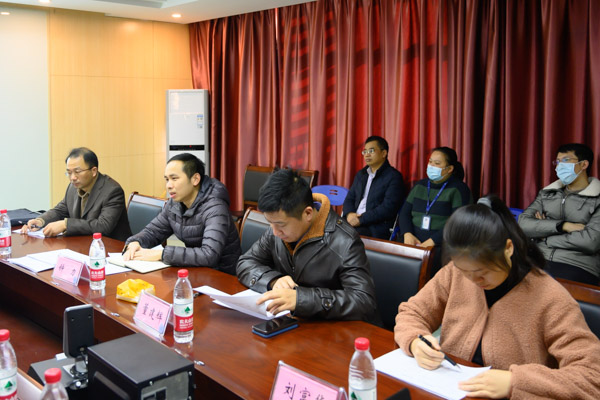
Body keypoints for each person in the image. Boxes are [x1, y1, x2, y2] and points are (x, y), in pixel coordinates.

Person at [394, 195, 600, 399]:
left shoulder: (549, 297)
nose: (474, 280)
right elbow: (412, 312)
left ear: (508, 248)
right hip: (449, 390)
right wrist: (415, 341)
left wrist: (515, 382)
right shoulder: (454, 273)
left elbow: (591, 376)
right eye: (465, 271)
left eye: (482, 271)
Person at [237, 168, 378, 322]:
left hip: (331, 328)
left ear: (308, 213)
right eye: (270, 223)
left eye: (280, 225)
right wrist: (273, 280)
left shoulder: (345, 242)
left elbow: (363, 301)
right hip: (291, 322)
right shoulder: (276, 229)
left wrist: (301, 299)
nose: (275, 232)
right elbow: (246, 262)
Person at [123, 153, 241, 275]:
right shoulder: (175, 204)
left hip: (223, 276)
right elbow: (153, 232)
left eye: (174, 179)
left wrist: (161, 254)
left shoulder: (215, 207)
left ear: (195, 179)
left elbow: (209, 255)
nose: (169, 186)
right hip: (196, 270)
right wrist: (136, 242)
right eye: (167, 179)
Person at [519, 143, 600, 285]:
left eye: (566, 160)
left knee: (543, 286)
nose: (559, 166)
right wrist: (562, 226)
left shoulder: (597, 198)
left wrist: (544, 236)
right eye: (557, 161)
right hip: (538, 257)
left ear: (583, 164)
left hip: (577, 264)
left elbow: (590, 241)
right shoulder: (547, 193)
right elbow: (523, 224)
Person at [20, 147, 131, 241]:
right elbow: (61, 209)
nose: (72, 177)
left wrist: (65, 224)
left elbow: (103, 226)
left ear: (93, 171)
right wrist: (40, 221)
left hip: (110, 248)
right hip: (82, 243)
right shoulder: (73, 186)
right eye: (69, 172)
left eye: (77, 172)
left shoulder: (112, 191)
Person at [397, 146, 472, 274]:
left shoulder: (459, 189)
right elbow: (404, 213)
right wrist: (407, 234)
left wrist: (432, 241)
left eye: (437, 163)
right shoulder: (420, 185)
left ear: (449, 169)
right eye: (430, 162)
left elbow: (458, 223)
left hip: (440, 243)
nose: (431, 166)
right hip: (413, 238)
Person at [342, 136, 405, 239]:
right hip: (353, 221)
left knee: (345, 236)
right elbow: (350, 198)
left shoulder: (394, 177)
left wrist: (361, 219)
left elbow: (388, 208)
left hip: (375, 227)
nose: (367, 154)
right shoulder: (361, 174)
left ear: (383, 153)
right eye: (365, 151)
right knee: (328, 229)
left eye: (371, 151)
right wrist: (349, 214)